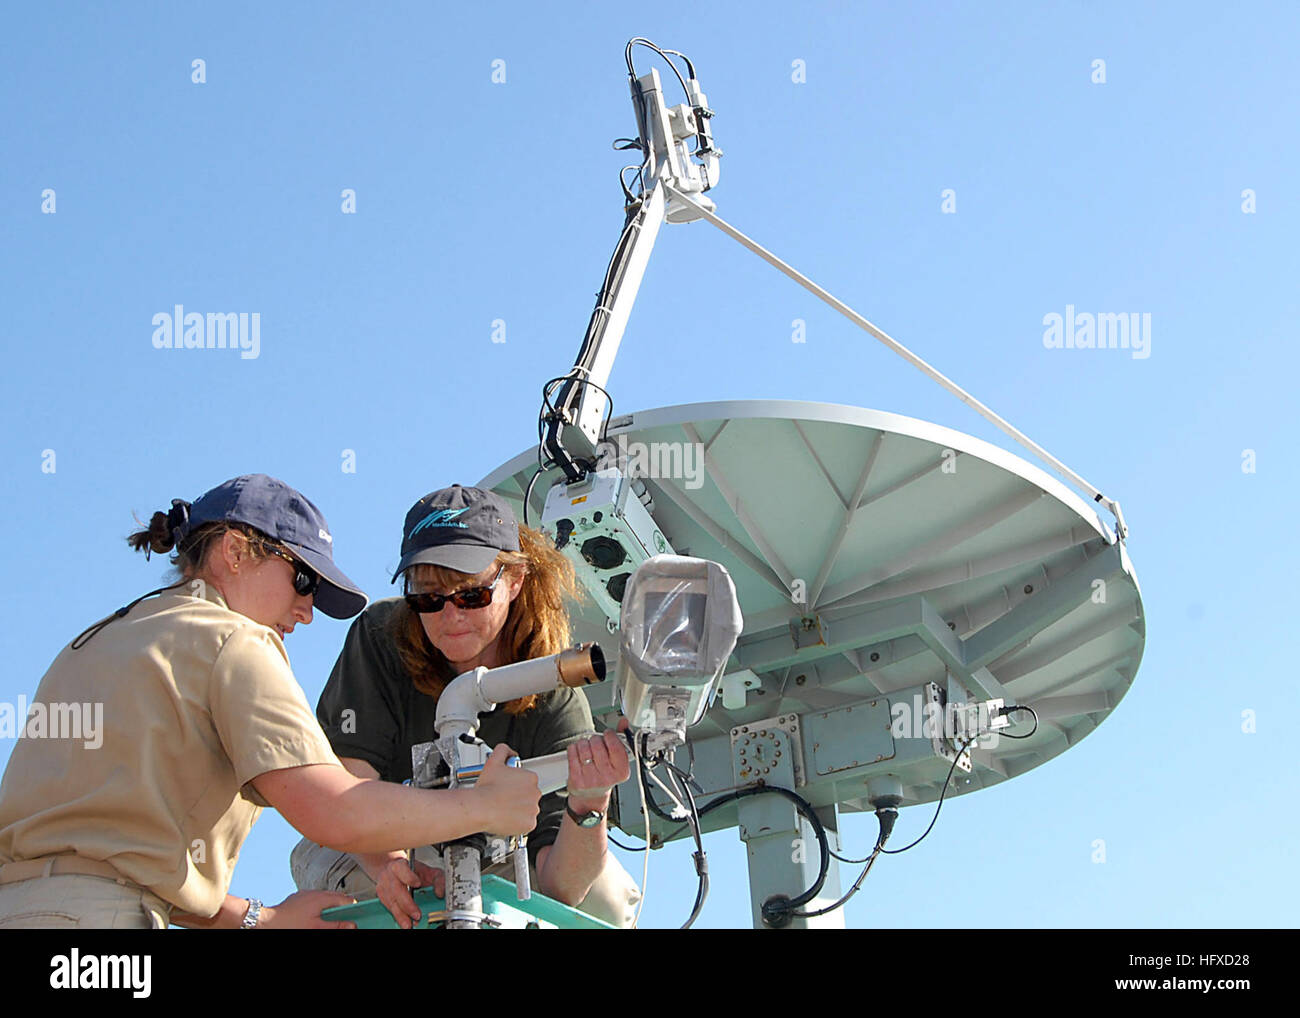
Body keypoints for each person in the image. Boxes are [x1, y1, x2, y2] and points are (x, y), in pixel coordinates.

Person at [0, 475, 541, 929]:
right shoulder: (233, 639)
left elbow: (122, 862)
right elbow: (335, 811)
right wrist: (484, 807)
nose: (306, 611)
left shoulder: (96, 640)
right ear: (235, 553)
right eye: (302, 580)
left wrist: (261, 919)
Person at [291, 484, 641, 928]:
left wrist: (590, 802)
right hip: (376, 839)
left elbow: (562, 889)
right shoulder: (381, 636)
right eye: (428, 597)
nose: (450, 615)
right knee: (364, 902)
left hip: (498, 850)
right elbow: (347, 782)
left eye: (471, 594)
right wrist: (390, 866)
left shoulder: (555, 695)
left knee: (607, 899)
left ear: (514, 582)